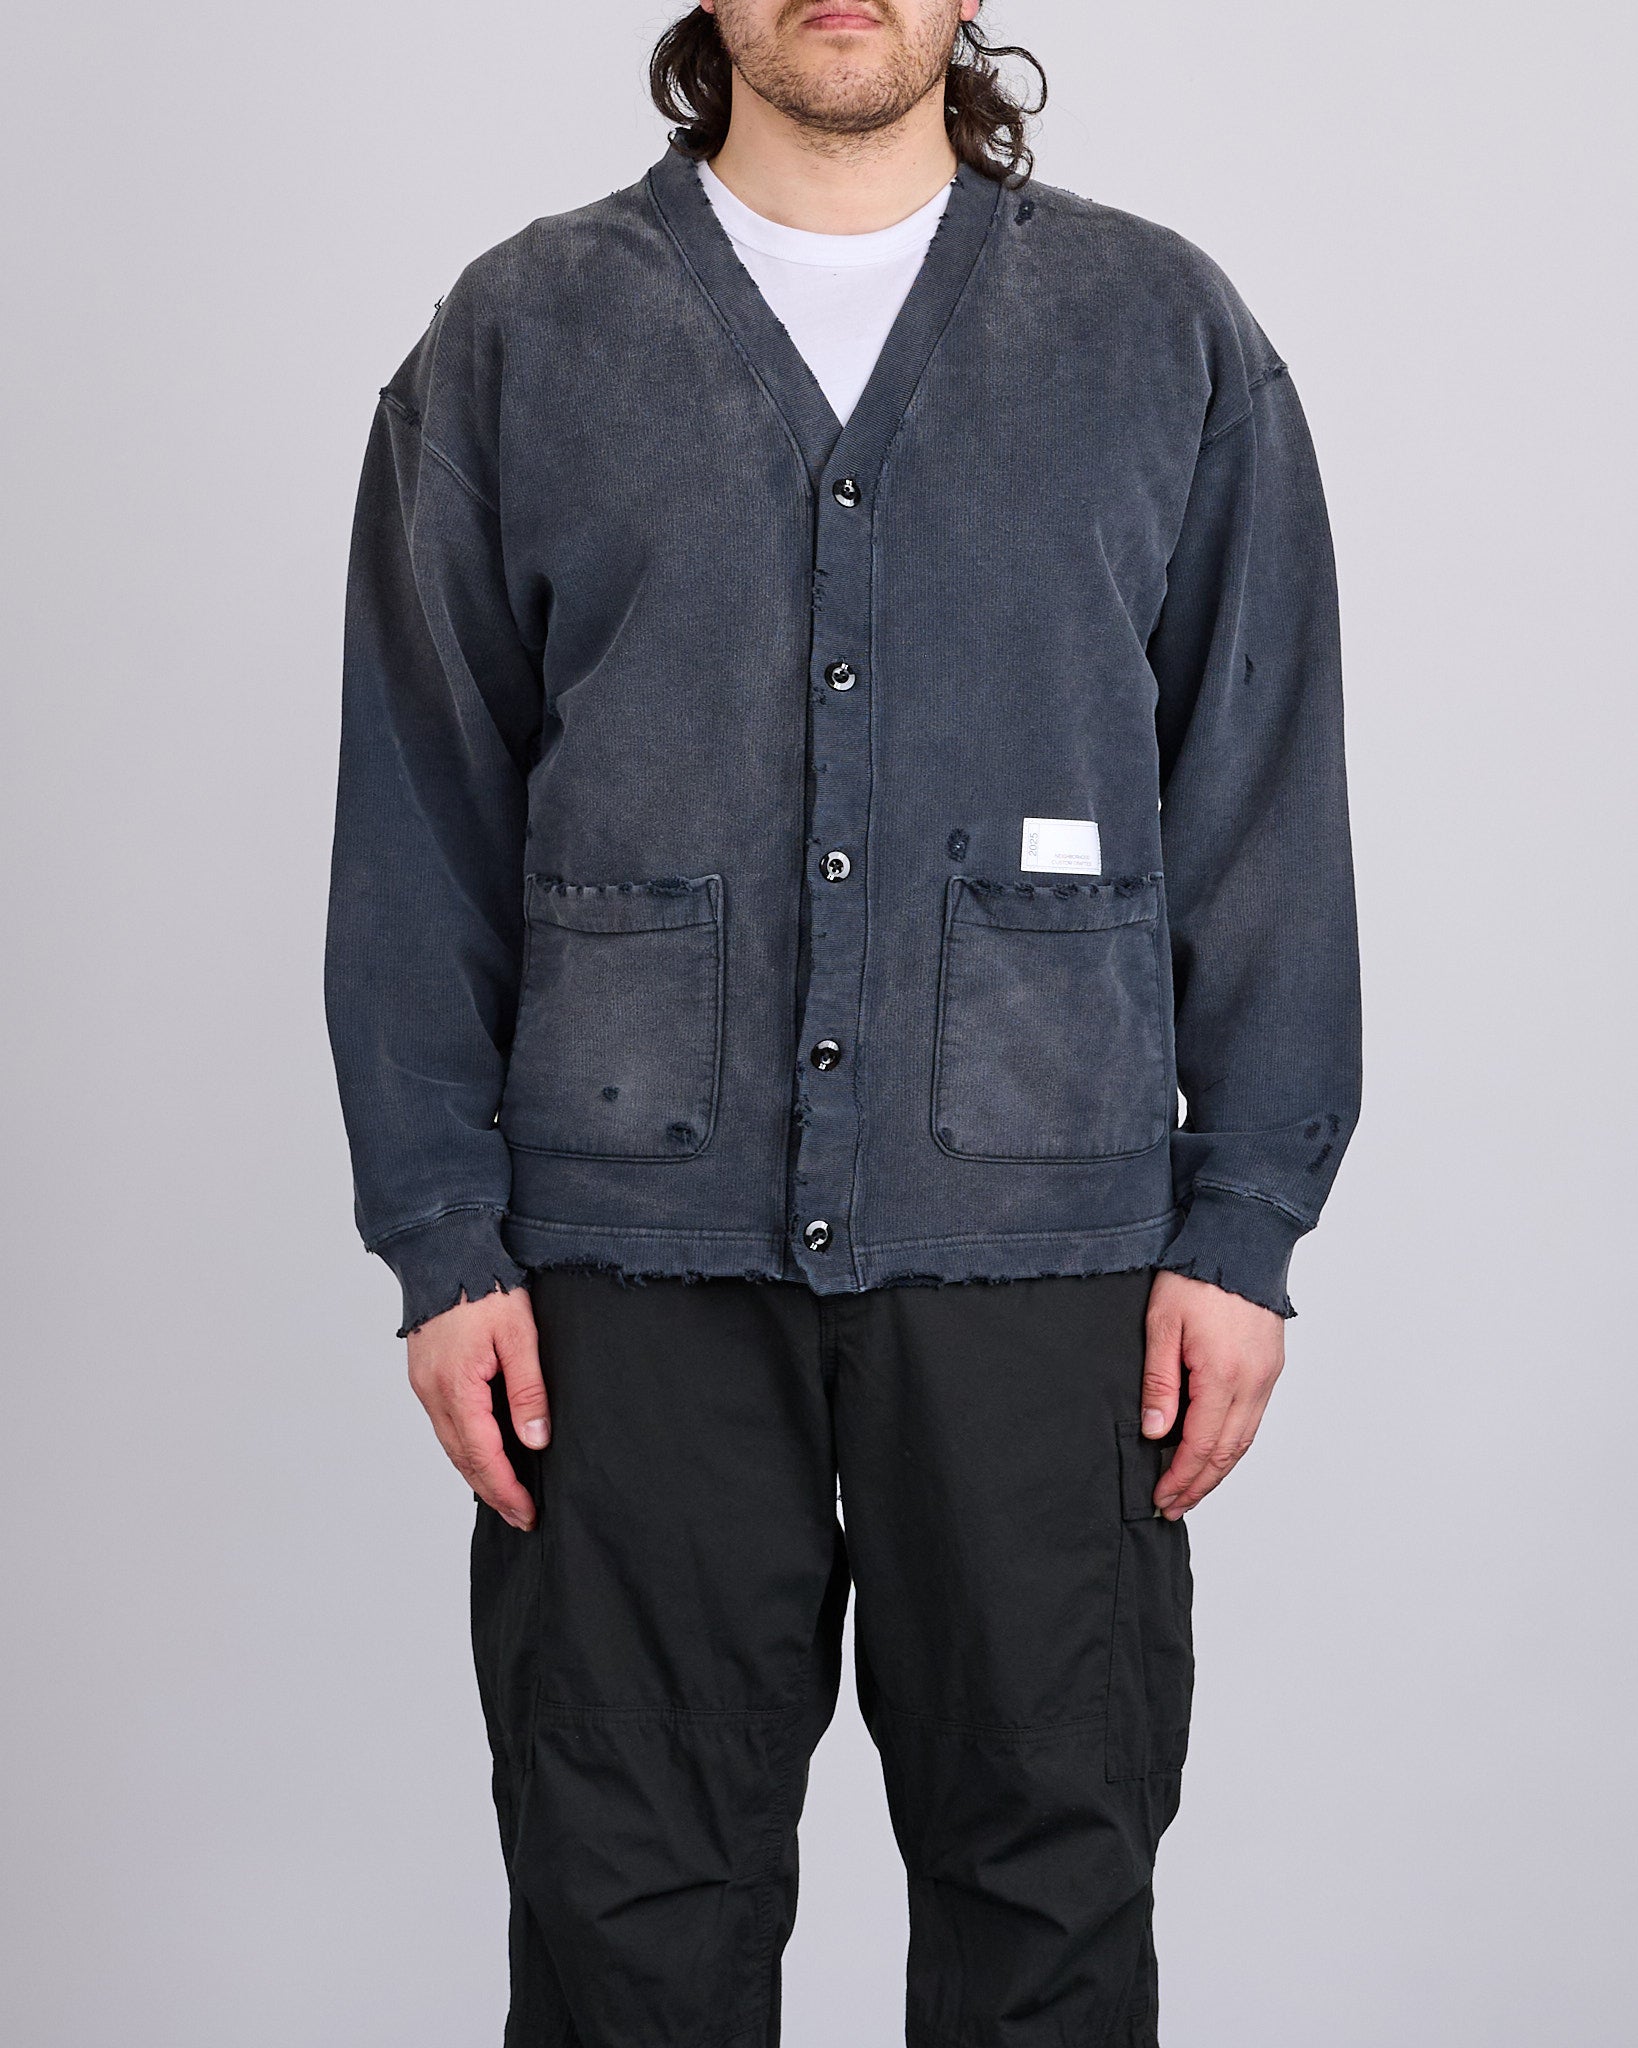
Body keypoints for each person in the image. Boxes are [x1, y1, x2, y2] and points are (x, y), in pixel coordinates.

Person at [323, 2, 1361, 2040]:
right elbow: (421, 809)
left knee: (1050, 1900)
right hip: (623, 1270)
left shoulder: (1159, 334)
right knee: (626, 1918)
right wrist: (441, 1237)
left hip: (1044, 1257)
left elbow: (1260, 787)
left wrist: (1245, 1225)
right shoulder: (521, 337)